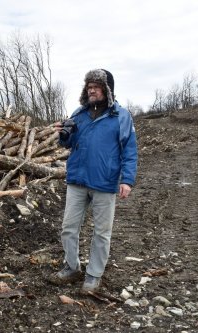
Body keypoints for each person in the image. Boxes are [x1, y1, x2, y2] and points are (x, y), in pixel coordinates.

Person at [48, 69, 138, 294]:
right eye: (89, 86)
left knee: (101, 232)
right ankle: (72, 267)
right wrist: (65, 134)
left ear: (107, 90)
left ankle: (94, 275)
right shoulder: (79, 114)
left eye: (96, 86)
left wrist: (126, 180)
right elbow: (67, 144)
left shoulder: (121, 116)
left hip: (105, 183)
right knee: (69, 227)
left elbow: (129, 150)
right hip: (77, 181)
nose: (91, 89)